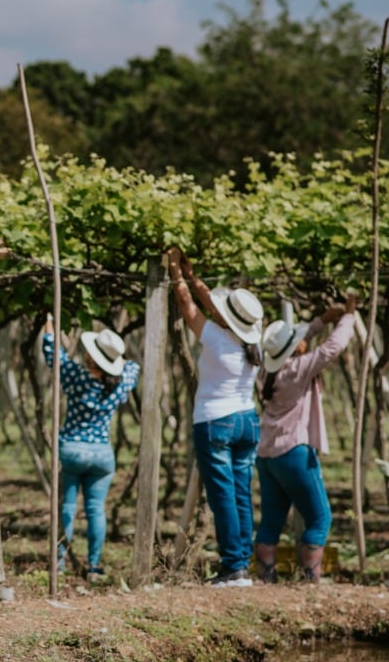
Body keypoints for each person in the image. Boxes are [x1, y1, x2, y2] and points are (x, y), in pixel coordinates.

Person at [167, 248, 264, 587]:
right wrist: (193, 277)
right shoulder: (254, 344)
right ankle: (241, 565)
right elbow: (210, 307)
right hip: (247, 420)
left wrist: (177, 274)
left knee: (222, 496)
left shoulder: (216, 339)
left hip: (215, 421)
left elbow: (187, 306)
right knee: (240, 494)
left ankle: (232, 567)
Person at [254, 294, 357, 583]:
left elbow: (299, 338)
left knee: (272, 519)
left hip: (267, 455)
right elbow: (332, 347)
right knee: (319, 517)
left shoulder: (266, 370)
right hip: (294, 453)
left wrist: (322, 320)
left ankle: (265, 578)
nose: (304, 340)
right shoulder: (298, 369)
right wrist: (348, 315)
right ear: (293, 351)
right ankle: (311, 580)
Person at [41, 317, 139, 581]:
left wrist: (50, 323)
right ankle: (94, 565)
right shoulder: (120, 385)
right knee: (96, 509)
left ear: (92, 360)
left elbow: (52, 353)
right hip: (101, 455)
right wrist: (114, 361)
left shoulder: (75, 377)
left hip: (72, 450)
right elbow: (132, 367)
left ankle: (59, 563)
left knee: (67, 507)